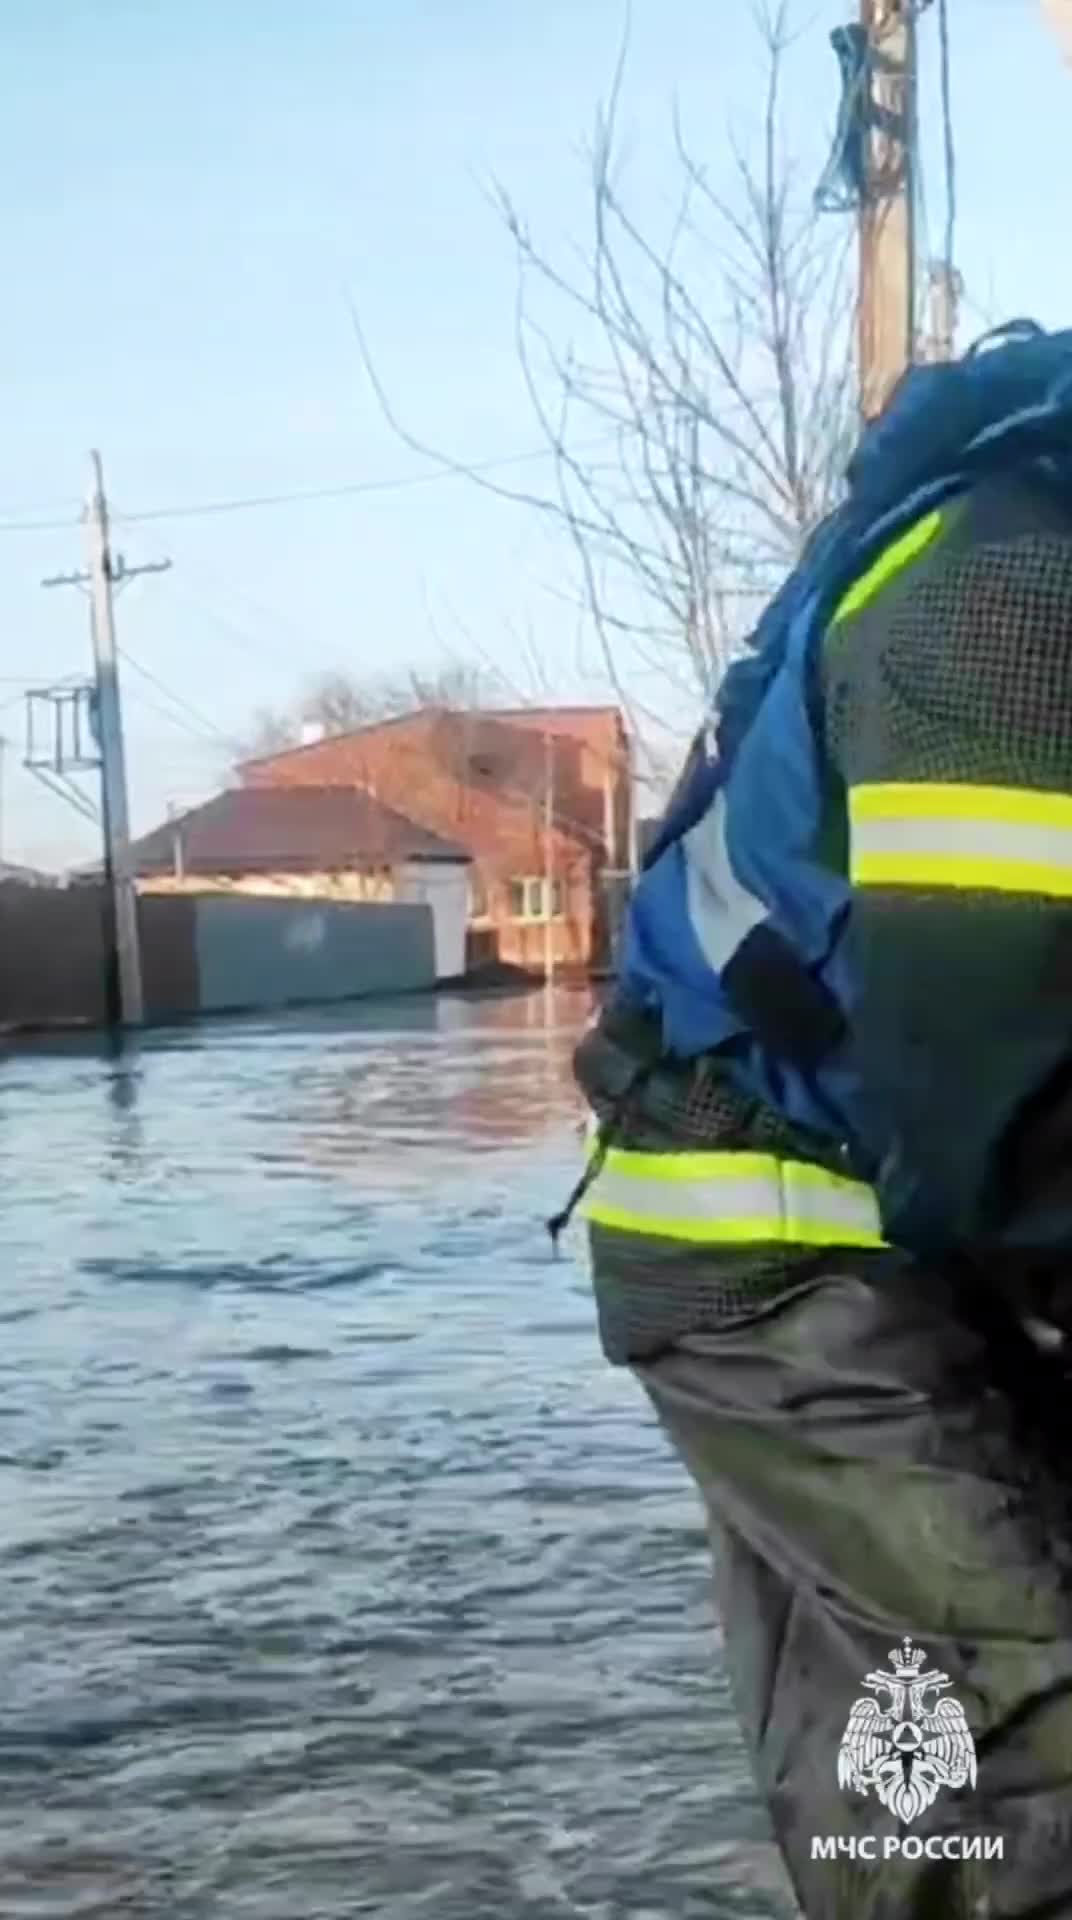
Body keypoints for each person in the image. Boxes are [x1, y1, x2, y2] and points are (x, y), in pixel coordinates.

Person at [561, 321, 1072, 1918]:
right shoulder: (1011, 599)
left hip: (824, 1206)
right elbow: (987, 1107)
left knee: (892, 1763)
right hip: (787, 1250)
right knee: (1035, 1722)